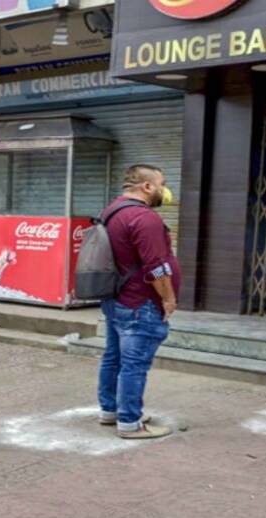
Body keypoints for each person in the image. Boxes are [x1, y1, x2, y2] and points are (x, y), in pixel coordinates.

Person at [98, 164, 179, 439]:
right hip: (140, 303)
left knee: (114, 358)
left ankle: (110, 410)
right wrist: (168, 298)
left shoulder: (112, 211)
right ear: (147, 186)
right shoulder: (145, 218)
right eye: (162, 183)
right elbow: (155, 266)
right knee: (134, 364)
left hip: (117, 299)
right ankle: (130, 422)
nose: (165, 190)